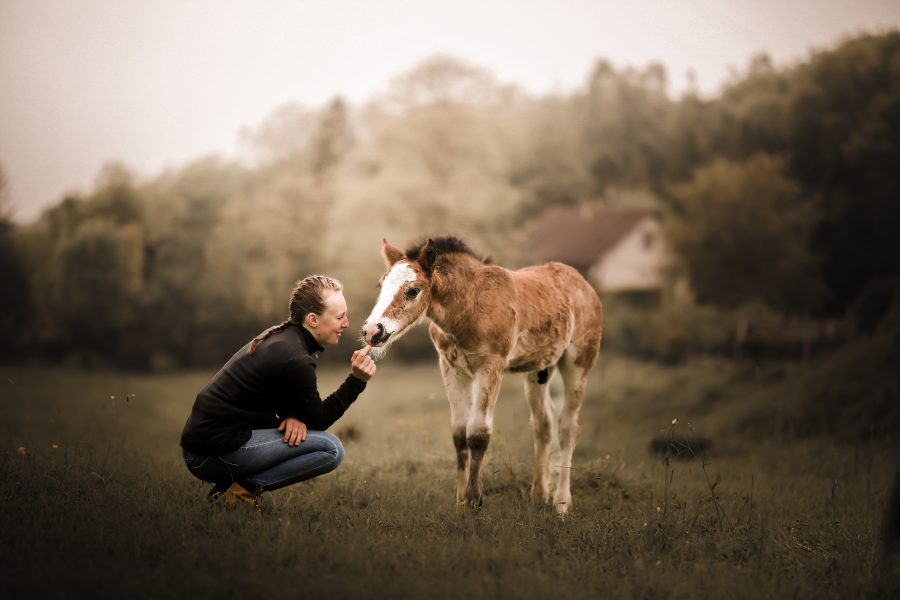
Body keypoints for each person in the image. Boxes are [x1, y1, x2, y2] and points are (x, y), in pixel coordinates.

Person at [180, 275, 376, 513]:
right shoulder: (295, 358)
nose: (346, 323)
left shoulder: (282, 339)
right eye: (339, 317)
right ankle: (239, 494)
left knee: (324, 443)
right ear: (313, 320)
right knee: (330, 449)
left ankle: (229, 492)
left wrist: (293, 416)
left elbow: (276, 399)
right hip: (210, 454)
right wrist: (356, 381)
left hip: (203, 447)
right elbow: (319, 420)